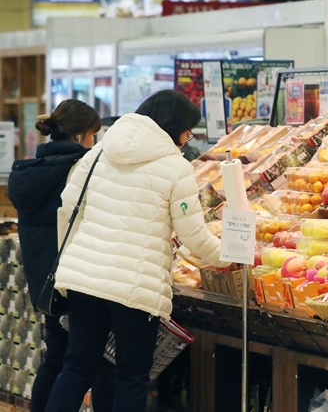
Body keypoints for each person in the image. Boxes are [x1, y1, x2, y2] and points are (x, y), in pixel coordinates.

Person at [46, 90, 228, 412]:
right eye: (188, 130)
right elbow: (193, 236)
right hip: (135, 289)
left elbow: (69, 209)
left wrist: (72, 257)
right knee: (131, 376)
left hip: (85, 280)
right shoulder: (175, 166)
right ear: (174, 125)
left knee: (76, 368)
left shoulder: (98, 152)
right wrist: (232, 254)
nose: (188, 137)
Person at [8, 100, 114, 412]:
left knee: (55, 354)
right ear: (81, 136)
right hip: (76, 277)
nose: (94, 142)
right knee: (81, 362)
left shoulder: (28, 173)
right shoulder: (79, 171)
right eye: (93, 135)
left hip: (44, 281)